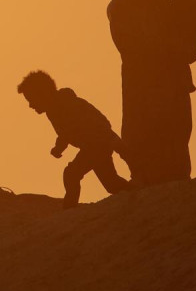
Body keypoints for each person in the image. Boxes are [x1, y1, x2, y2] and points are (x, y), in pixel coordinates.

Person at [106, 0, 193, 185]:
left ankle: (176, 175)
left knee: (175, 129)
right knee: (142, 130)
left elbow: (186, 38)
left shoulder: (163, 6)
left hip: (169, 80)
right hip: (141, 82)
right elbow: (128, 44)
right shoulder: (120, 7)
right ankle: (144, 175)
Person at [17, 71, 129, 208]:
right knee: (111, 184)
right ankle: (135, 190)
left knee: (71, 174)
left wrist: (112, 140)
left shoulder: (64, 104)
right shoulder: (54, 108)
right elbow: (66, 132)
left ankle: (70, 207)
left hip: (96, 144)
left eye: (31, 99)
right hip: (95, 145)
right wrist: (59, 147)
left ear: (43, 94)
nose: (30, 105)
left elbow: (83, 124)